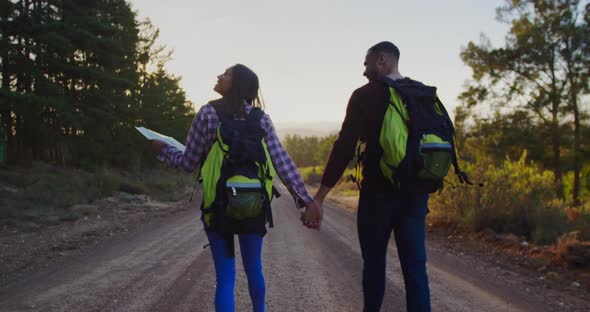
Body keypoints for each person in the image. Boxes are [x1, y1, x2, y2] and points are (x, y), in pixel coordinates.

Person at [150, 63, 322, 312]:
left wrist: (163, 150)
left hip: (217, 206)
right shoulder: (261, 119)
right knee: (254, 270)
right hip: (254, 206)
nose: (220, 75)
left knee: (225, 279)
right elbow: (282, 162)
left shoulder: (208, 113)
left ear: (237, 83)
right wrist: (306, 200)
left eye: (226, 73)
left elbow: (188, 163)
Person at [314, 42, 431, 312]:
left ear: (381, 60)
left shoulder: (364, 96)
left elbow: (344, 147)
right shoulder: (422, 93)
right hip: (415, 194)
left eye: (366, 64)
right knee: (415, 270)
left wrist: (320, 196)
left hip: (377, 194)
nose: (364, 71)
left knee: (375, 264)